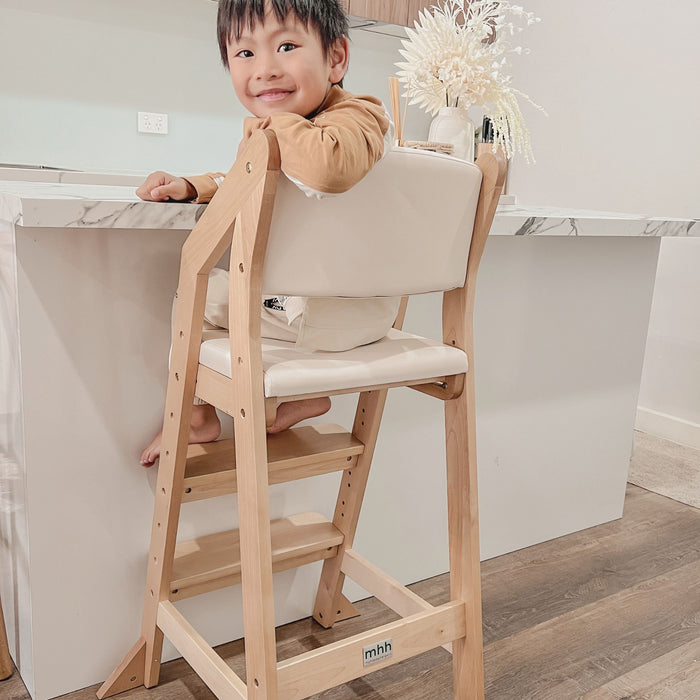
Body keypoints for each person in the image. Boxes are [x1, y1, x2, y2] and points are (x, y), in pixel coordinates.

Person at [138, 0, 398, 467]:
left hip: (342, 315)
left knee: (197, 293)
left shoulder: (359, 116)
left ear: (336, 59)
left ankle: (197, 417)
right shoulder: (295, 131)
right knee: (229, 290)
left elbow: (328, 168)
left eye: (287, 45)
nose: (266, 69)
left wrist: (265, 126)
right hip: (329, 315)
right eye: (244, 54)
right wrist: (194, 186)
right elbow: (249, 176)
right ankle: (301, 398)